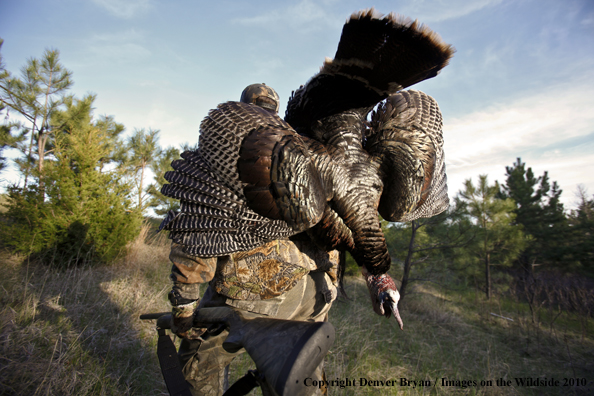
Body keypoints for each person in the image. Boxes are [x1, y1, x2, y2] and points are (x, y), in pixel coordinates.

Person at [167, 83, 340, 396]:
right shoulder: (312, 152)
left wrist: (185, 310)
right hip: (315, 295)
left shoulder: (230, 151)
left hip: (254, 294)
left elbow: (197, 236)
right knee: (297, 379)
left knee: (199, 363)